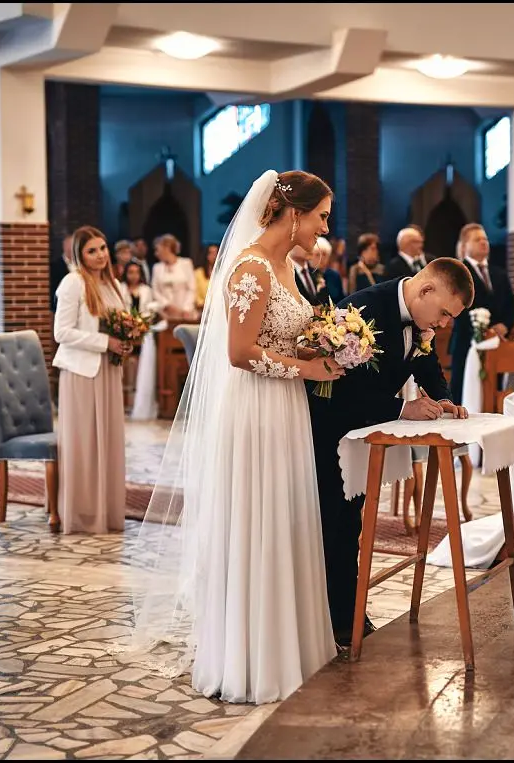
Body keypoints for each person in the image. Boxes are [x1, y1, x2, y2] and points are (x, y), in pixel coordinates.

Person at [120, 170, 343, 705]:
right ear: (294, 215)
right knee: (258, 519)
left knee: (286, 519)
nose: (325, 228)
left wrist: (322, 350)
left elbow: (284, 337)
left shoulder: (289, 266)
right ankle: (251, 657)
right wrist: (306, 370)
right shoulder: (249, 268)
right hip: (256, 411)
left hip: (285, 408)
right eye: (321, 217)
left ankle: (291, 647)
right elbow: (240, 354)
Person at [309, 258, 473, 645]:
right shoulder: (362, 311)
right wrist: (402, 409)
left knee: (352, 523)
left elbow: (427, 362)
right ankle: (339, 620)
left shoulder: (421, 321)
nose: (445, 324)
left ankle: (346, 613)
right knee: (335, 524)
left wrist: (445, 400)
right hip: (328, 432)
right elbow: (343, 390)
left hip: (364, 435)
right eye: (445, 314)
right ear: (426, 290)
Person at [52, 226, 131, 535]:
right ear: (79, 256)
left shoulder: (114, 285)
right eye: (92, 251)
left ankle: (108, 513)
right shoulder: (72, 283)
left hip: (109, 371)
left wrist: (125, 341)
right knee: (84, 444)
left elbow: (121, 326)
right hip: (81, 373)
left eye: (102, 248)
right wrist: (104, 342)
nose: (100, 255)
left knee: (108, 442)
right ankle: (83, 515)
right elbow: (62, 333)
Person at [448, 223, 514, 406]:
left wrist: (504, 325)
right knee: (463, 393)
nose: (483, 242)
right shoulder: (458, 272)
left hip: (497, 343)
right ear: (465, 245)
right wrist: (481, 329)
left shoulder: (499, 273)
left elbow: (511, 304)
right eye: (477, 239)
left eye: (485, 239)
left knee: (492, 392)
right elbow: (456, 305)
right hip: (467, 341)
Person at [121, 259, 160, 421]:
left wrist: (140, 323)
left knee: (139, 365)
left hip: (142, 331)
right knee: (124, 366)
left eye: (136, 272)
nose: (133, 276)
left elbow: (150, 309)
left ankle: (139, 401)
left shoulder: (146, 290)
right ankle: (123, 403)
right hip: (123, 330)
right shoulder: (120, 288)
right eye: (130, 272)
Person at [150, 234, 198, 321]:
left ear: (167, 248)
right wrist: (166, 305)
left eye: (158, 249)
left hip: (185, 313)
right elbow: (155, 290)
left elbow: (192, 288)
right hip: (165, 313)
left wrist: (186, 309)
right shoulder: (157, 267)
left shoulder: (186, 263)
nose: (156, 254)